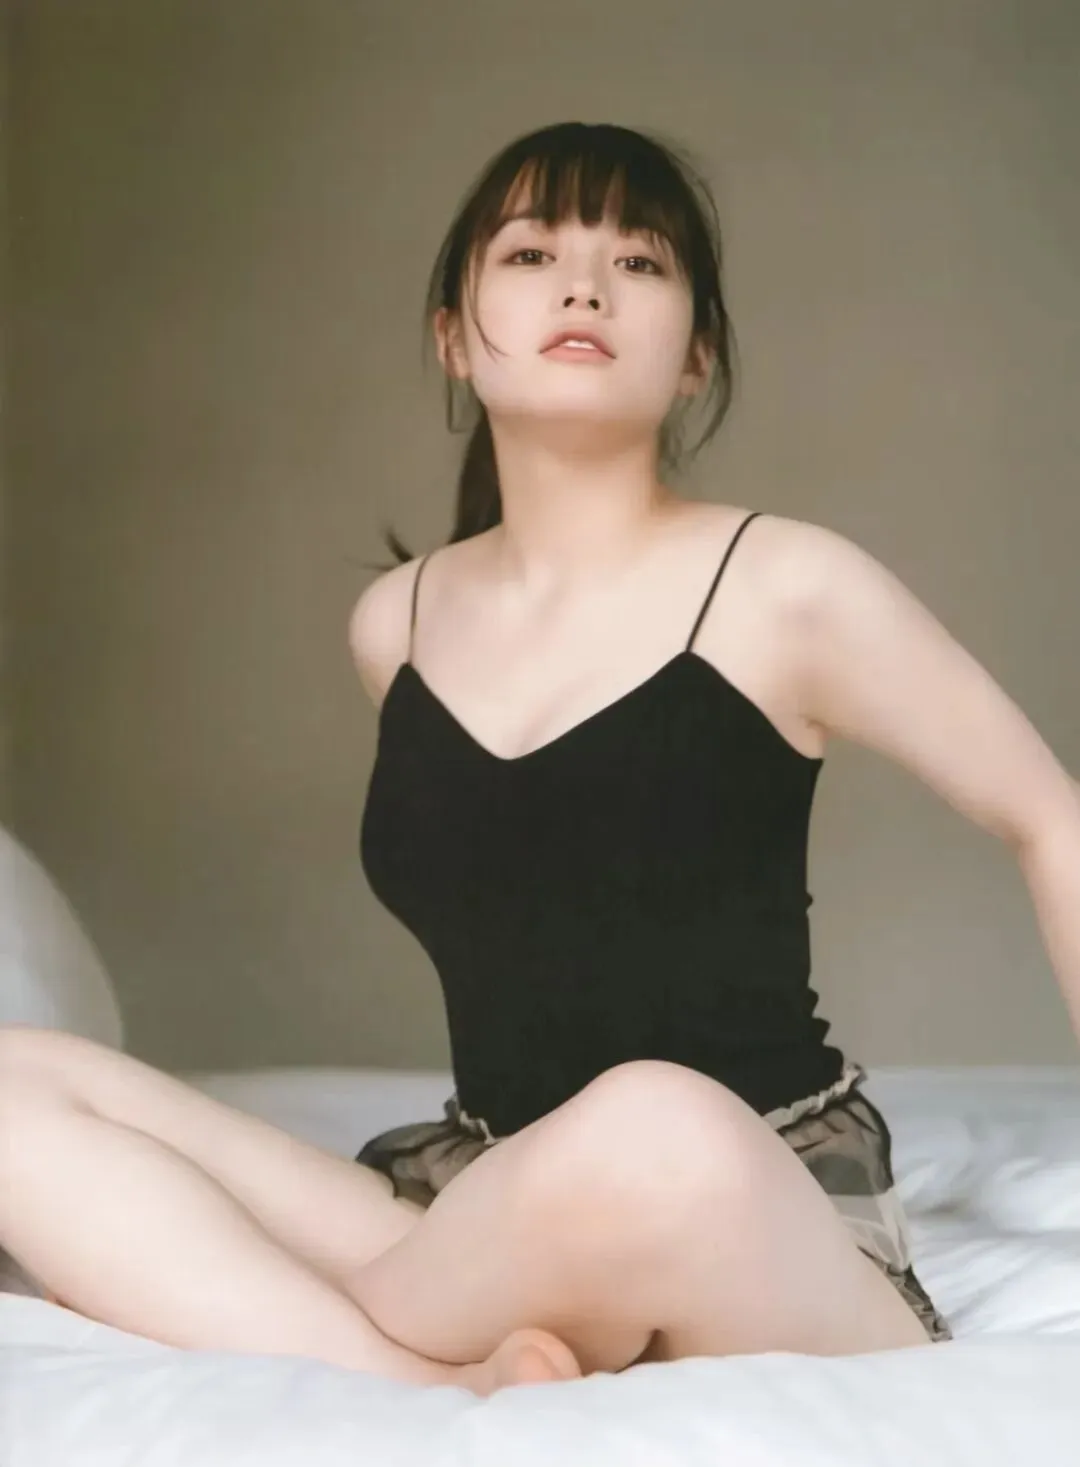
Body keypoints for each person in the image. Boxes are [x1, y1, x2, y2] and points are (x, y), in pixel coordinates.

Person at [3, 121, 1078, 1397]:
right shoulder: (396, 624)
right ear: (453, 337)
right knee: (15, 1077)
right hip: (483, 1195)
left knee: (652, 1117)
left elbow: (1048, 815)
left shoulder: (789, 585)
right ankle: (431, 1377)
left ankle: (310, 1312)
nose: (584, 287)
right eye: (531, 255)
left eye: (640, 261)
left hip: (743, 1205)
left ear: (698, 354)